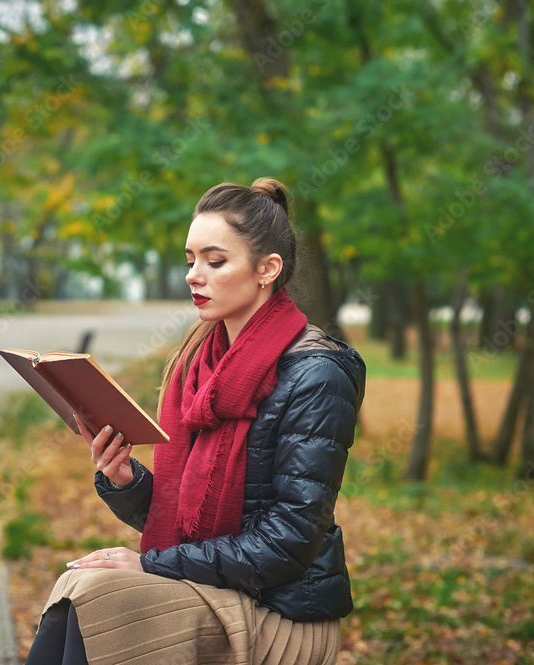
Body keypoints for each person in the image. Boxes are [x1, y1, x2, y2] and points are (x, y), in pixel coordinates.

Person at [24, 178, 366, 665]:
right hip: (216, 589)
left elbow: (289, 541)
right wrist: (125, 480)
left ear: (267, 269)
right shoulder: (200, 363)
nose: (193, 275)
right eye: (190, 260)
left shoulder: (317, 375)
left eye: (215, 260)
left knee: (97, 596)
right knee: (81, 585)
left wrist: (148, 565)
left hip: (281, 615)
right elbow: (188, 521)